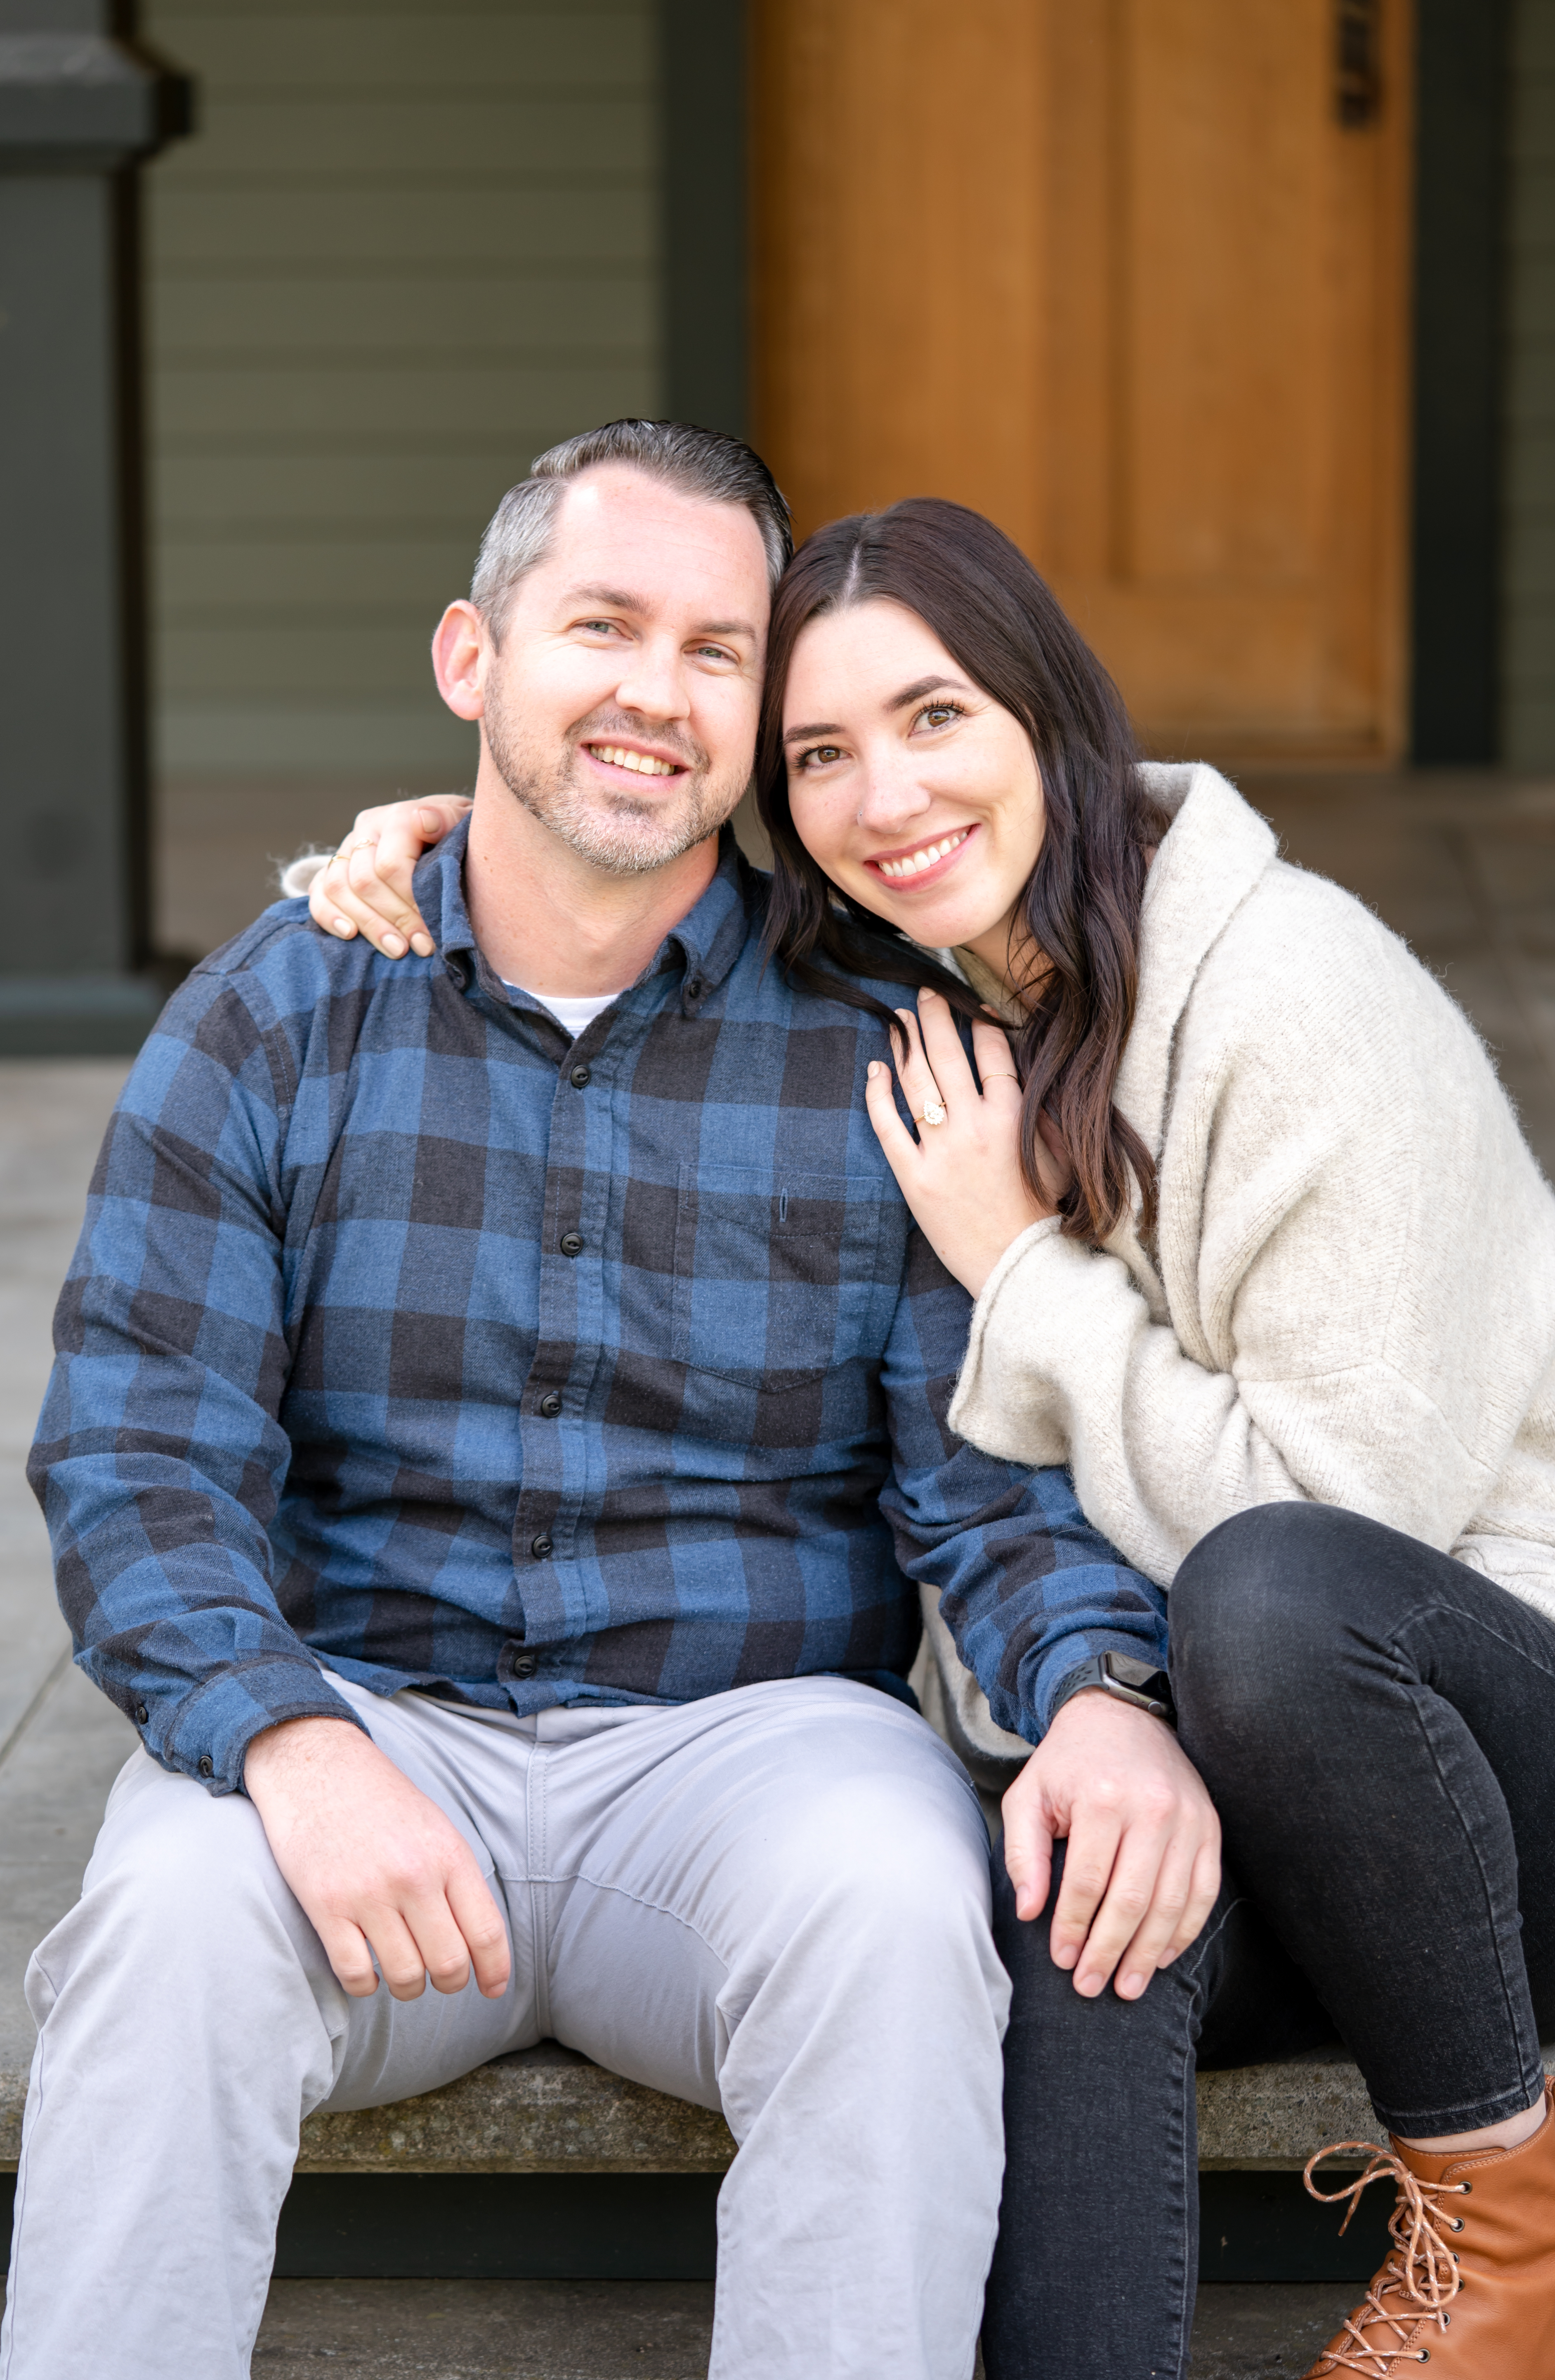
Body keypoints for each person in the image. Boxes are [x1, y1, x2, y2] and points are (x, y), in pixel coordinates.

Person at [321, 493, 1555, 2380]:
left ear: (1044, 717)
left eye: (932, 719)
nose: (882, 794)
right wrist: (433, 843)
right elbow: (605, 876)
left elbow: (1343, 1540)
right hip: (1217, 1784)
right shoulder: (920, 1009)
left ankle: (1495, 2241)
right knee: (1058, 1898)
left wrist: (1018, 1273)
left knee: (1260, 1590)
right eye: (817, 754)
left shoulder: (1291, 997)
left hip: (1493, 1790)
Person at [8, 429, 1168, 2380]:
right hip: (363, 1725)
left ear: (756, 721)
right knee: (167, 1928)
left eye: (717, 652)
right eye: (601, 625)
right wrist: (287, 1742)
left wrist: (1103, 1701)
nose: (653, 690)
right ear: (474, 657)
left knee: (897, 1909)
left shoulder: (883, 1051)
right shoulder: (275, 1019)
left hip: (744, 1759)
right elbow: (140, 1450)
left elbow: (990, 1486)